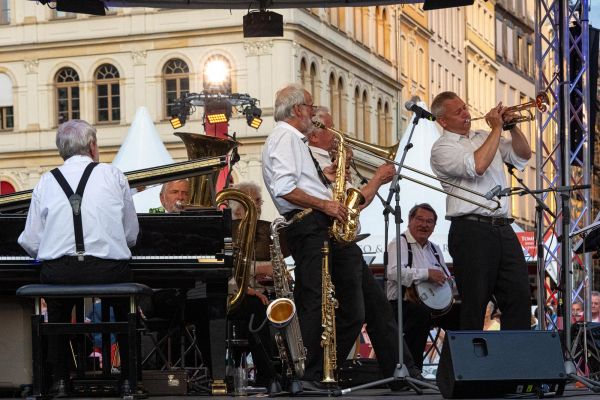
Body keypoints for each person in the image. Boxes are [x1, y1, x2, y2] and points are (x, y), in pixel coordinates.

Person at [262, 86, 417, 391]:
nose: (313, 113)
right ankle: (309, 375)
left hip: (324, 224)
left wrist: (328, 184)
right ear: (297, 110)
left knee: (365, 306)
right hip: (310, 225)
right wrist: (326, 203)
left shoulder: (296, 141)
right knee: (316, 302)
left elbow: (299, 184)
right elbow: (284, 189)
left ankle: (378, 369)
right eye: (310, 106)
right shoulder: (284, 136)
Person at [18, 119, 139, 397]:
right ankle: (128, 382)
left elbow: (31, 241)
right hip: (108, 269)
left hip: (60, 270)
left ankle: (59, 380)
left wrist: (58, 252)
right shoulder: (114, 175)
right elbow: (131, 234)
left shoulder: (46, 181)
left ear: (62, 150)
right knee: (123, 306)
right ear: (93, 146)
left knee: (59, 305)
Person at [430, 91, 533, 330]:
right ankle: (472, 365)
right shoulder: (442, 148)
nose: (466, 114)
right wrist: (497, 128)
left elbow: (523, 155)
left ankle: (516, 363)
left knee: (519, 297)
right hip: (471, 229)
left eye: (465, 108)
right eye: (458, 112)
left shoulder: (483, 136)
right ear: (443, 121)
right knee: (475, 303)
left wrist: (512, 127)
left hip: (503, 227)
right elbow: (477, 165)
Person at [386, 203, 460, 371]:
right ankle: (414, 370)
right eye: (420, 219)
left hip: (432, 307)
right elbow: (393, 272)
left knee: (463, 316)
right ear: (410, 220)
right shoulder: (400, 243)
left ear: (434, 227)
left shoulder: (434, 249)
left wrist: (451, 282)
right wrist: (427, 274)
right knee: (420, 315)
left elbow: (446, 277)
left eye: (429, 222)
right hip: (400, 305)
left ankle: (452, 370)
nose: (424, 225)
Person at [227, 181, 275, 388]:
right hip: (233, 295)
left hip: (262, 292)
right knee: (257, 307)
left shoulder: (264, 233)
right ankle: (267, 374)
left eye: (259, 201)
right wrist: (252, 283)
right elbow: (227, 271)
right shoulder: (227, 232)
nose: (258, 205)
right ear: (239, 207)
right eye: (254, 201)